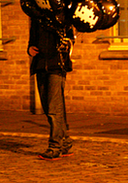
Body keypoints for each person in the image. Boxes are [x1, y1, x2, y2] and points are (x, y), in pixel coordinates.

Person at [27, 18, 75, 161]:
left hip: (57, 65)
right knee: (48, 107)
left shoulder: (62, 17)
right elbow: (32, 39)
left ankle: (55, 147)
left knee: (54, 108)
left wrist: (67, 45)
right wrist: (30, 48)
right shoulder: (37, 19)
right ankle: (65, 141)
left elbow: (71, 39)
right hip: (41, 64)